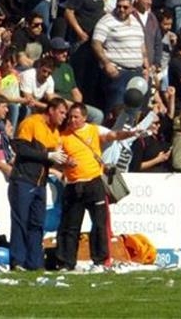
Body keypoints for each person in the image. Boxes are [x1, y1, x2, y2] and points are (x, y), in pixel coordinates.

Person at [53, 103, 146, 270]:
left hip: (94, 182)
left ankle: (100, 261)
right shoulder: (63, 135)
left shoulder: (94, 130)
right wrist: (66, 162)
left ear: (84, 117)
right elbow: (56, 157)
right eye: (70, 117)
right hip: (74, 184)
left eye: (76, 117)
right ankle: (67, 262)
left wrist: (130, 133)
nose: (72, 120)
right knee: (71, 226)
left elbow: (114, 135)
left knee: (99, 224)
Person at [10, 98, 70, 271]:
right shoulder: (31, 123)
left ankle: (35, 262)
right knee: (21, 221)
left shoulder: (55, 132)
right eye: (62, 112)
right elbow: (20, 148)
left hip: (40, 183)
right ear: (50, 110)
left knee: (37, 223)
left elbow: (54, 157)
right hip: (23, 179)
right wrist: (47, 156)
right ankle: (17, 261)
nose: (64, 117)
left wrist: (65, 163)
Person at [90, 0, 149, 114]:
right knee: (116, 110)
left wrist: (146, 65)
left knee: (135, 111)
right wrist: (106, 64)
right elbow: (96, 43)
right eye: (119, 6)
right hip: (118, 72)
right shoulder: (106, 20)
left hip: (136, 73)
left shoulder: (136, 23)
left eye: (125, 7)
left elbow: (141, 45)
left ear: (132, 8)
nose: (121, 9)